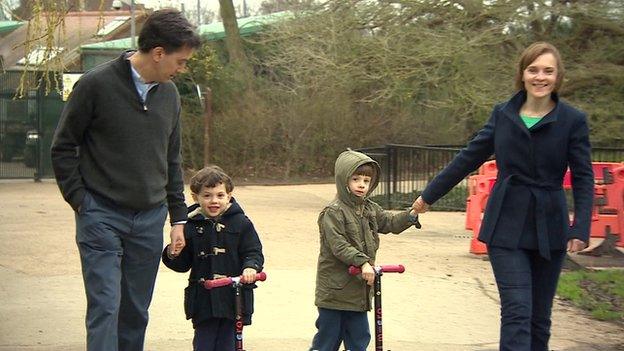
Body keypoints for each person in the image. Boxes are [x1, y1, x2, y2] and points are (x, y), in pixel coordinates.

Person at [412, 42, 594, 351]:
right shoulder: (503, 115)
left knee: (539, 318)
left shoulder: (572, 121)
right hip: (506, 226)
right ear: (522, 74)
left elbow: (582, 176)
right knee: (517, 312)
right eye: (533, 70)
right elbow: (469, 157)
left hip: (550, 226)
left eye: (548, 71)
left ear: (558, 76)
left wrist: (581, 227)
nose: (540, 77)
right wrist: (428, 196)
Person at [50, 9, 201, 351]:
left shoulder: (170, 96)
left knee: (135, 311)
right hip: (101, 215)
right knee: (105, 305)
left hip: (149, 220)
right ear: (159, 53)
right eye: (180, 61)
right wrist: (81, 201)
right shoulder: (95, 85)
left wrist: (178, 218)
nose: (182, 69)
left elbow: (172, 160)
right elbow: (63, 147)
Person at [310, 149, 420, 351]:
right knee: (327, 341)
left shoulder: (369, 208)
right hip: (335, 292)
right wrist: (363, 262)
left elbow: (389, 222)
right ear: (344, 181)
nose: (361, 184)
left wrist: (412, 214)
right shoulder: (333, 212)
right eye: (356, 179)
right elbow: (339, 245)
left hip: (359, 292)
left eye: (366, 181)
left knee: (360, 340)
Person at [162, 165, 264, 351]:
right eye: (207, 195)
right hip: (203, 300)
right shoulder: (191, 225)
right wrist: (173, 253)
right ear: (195, 197)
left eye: (219, 195)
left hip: (233, 300)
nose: (214, 200)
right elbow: (183, 263)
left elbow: (253, 251)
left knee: (228, 344)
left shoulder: (241, 223)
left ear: (229, 195)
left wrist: (251, 267)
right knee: (204, 344)